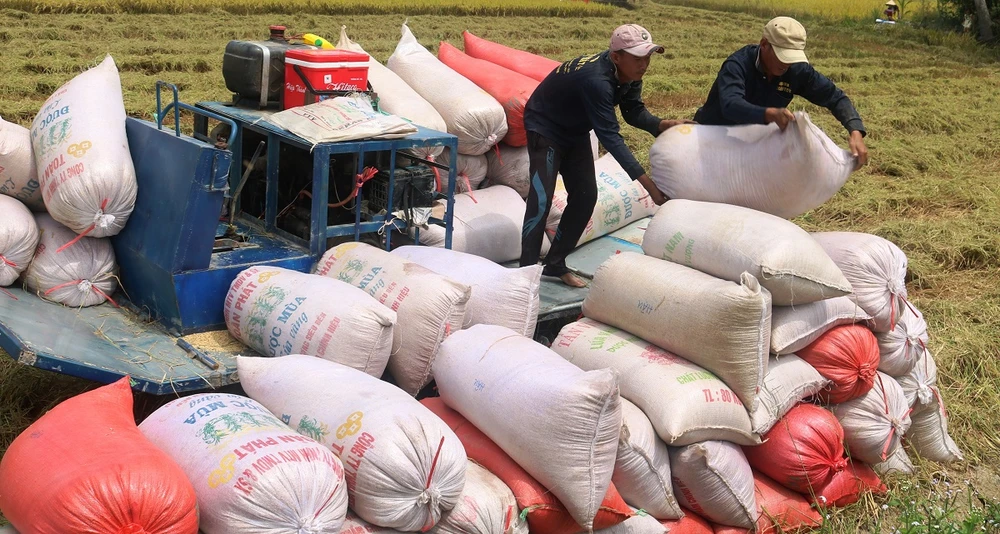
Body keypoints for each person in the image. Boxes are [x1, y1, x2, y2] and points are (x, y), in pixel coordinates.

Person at [520, 24, 691, 287]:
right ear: (616, 57)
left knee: (586, 196)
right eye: (638, 58)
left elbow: (633, 112)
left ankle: (555, 264)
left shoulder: (629, 74)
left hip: (575, 130)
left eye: (647, 57)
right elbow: (611, 137)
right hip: (545, 127)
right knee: (541, 200)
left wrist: (661, 124)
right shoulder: (597, 81)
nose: (644, 64)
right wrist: (649, 187)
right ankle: (524, 276)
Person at [693, 17, 869, 168]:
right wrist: (769, 114)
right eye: (782, 55)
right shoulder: (738, 65)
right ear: (764, 44)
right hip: (714, 137)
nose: (786, 64)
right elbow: (731, 105)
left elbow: (835, 97)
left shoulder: (797, 70)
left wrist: (855, 131)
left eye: (792, 57)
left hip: (754, 146)